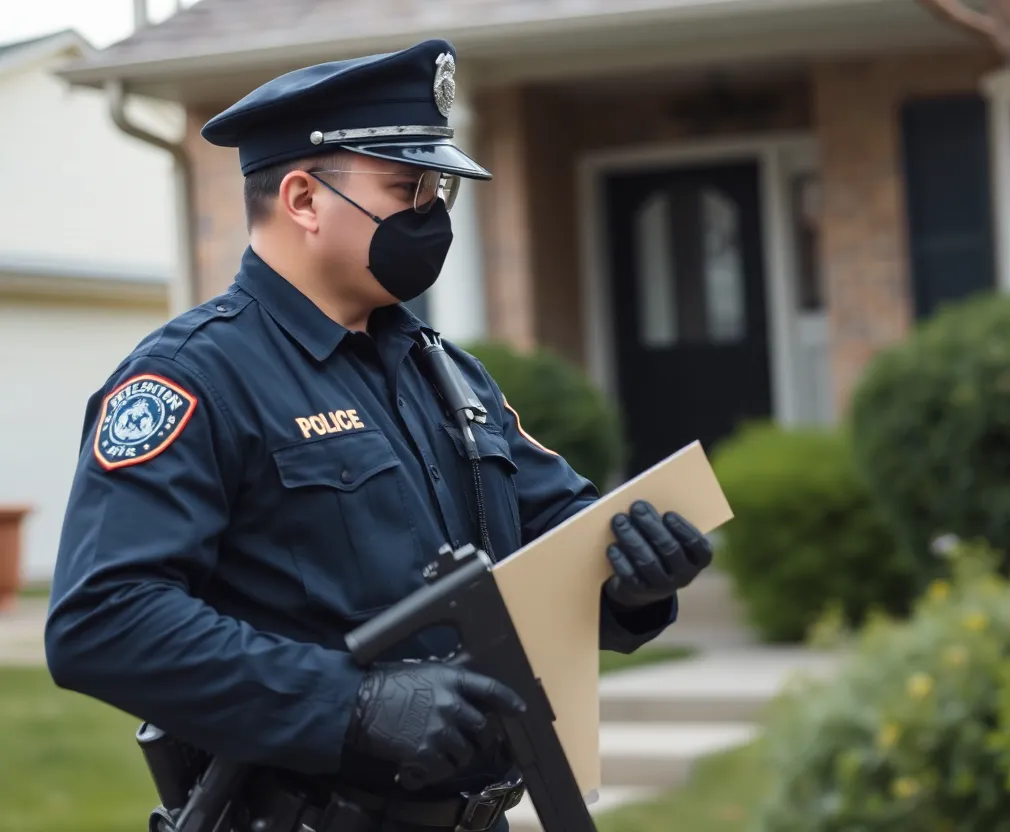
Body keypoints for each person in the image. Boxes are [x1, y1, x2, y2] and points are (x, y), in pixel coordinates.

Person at [44, 38, 715, 832]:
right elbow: (104, 620)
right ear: (301, 198)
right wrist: (349, 704)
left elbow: (554, 540)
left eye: (439, 190)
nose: (431, 213)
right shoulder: (193, 379)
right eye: (407, 188)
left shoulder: (450, 374)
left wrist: (631, 582)